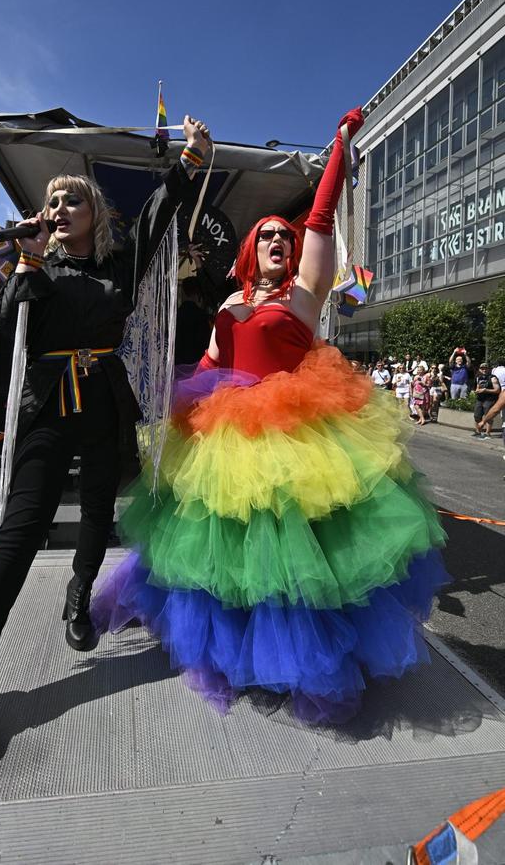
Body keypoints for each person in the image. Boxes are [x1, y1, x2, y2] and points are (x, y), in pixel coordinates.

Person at [92, 107, 447, 725]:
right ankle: (239, 650)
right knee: (229, 552)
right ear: (252, 252)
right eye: (269, 237)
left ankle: (301, 659)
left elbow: (320, 215)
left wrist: (337, 147)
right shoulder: (230, 301)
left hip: (298, 436)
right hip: (230, 439)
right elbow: (207, 363)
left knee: (297, 555)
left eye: (286, 237)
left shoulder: (305, 297)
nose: (281, 242)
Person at [0, 114, 213, 762]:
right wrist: (28, 261)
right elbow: (12, 323)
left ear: (96, 213)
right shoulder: (32, 268)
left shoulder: (119, 267)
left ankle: (80, 592)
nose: (60, 207)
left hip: (103, 402)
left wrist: (189, 163)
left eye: (73, 199)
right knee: (18, 532)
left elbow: (157, 216)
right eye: (51, 201)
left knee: (100, 509)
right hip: (47, 406)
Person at [473, 363, 501, 438]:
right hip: (480, 399)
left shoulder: (493, 378)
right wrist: (476, 391)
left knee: (488, 415)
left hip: (489, 399)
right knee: (477, 415)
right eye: (482, 368)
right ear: (480, 369)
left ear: (489, 369)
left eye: (486, 368)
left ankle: (487, 433)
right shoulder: (478, 377)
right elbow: (477, 387)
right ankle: (478, 431)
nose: (484, 370)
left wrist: (485, 390)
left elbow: (497, 390)